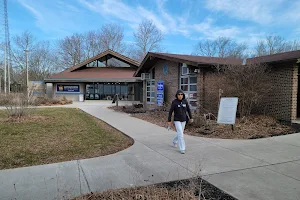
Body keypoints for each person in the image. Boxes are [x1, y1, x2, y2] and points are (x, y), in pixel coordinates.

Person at [168, 89, 193, 154]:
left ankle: (174, 141)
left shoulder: (185, 101)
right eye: (179, 94)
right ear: (177, 95)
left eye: (181, 94)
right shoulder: (174, 102)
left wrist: (191, 118)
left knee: (180, 133)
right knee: (181, 134)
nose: (180, 95)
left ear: (183, 95)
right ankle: (182, 148)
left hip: (184, 120)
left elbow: (188, 110)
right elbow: (170, 112)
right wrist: (169, 120)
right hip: (177, 120)